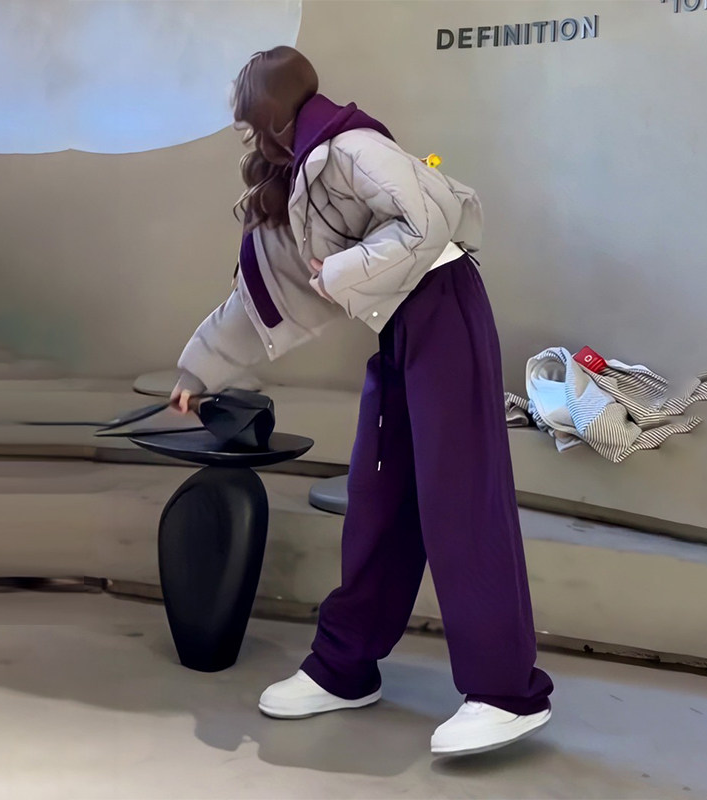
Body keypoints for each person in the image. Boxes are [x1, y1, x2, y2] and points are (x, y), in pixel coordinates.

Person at [171, 46, 553, 756]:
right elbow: (267, 295)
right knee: (380, 499)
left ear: (272, 111)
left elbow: (429, 218)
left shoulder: (352, 147)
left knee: (460, 500)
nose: (244, 133)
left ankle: (506, 692)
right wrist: (198, 369)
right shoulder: (299, 178)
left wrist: (340, 271)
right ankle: (344, 667)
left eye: (248, 118)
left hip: (445, 309)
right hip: (401, 328)